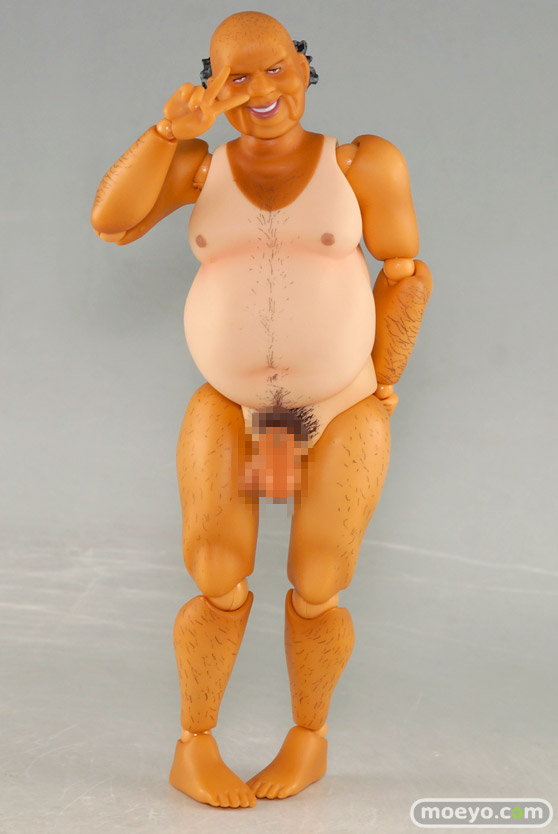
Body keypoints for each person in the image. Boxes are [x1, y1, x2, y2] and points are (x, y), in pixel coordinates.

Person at [91, 11, 432, 808]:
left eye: (276, 68)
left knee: (319, 578)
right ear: (212, 88)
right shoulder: (197, 168)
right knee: (216, 571)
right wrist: (165, 133)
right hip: (241, 410)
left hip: (338, 407)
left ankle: (309, 738)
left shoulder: (361, 164)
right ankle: (194, 745)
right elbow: (112, 222)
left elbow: (405, 271)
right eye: (236, 77)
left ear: (304, 69)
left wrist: (386, 378)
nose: (261, 90)